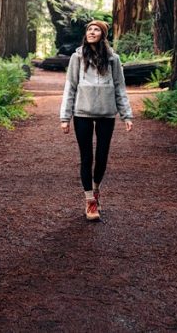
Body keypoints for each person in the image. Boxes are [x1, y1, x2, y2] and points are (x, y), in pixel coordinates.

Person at [59, 19, 133, 221]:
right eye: (89, 29)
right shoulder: (77, 57)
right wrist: (65, 117)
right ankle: (90, 200)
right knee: (86, 157)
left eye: (96, 30)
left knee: (101, 157)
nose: (92, 32)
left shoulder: (113, 59)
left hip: (106, 114)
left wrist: (126, 115)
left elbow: (120, 87)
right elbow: (70, 87)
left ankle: (96, 188)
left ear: (103, 35)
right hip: (81, 113)